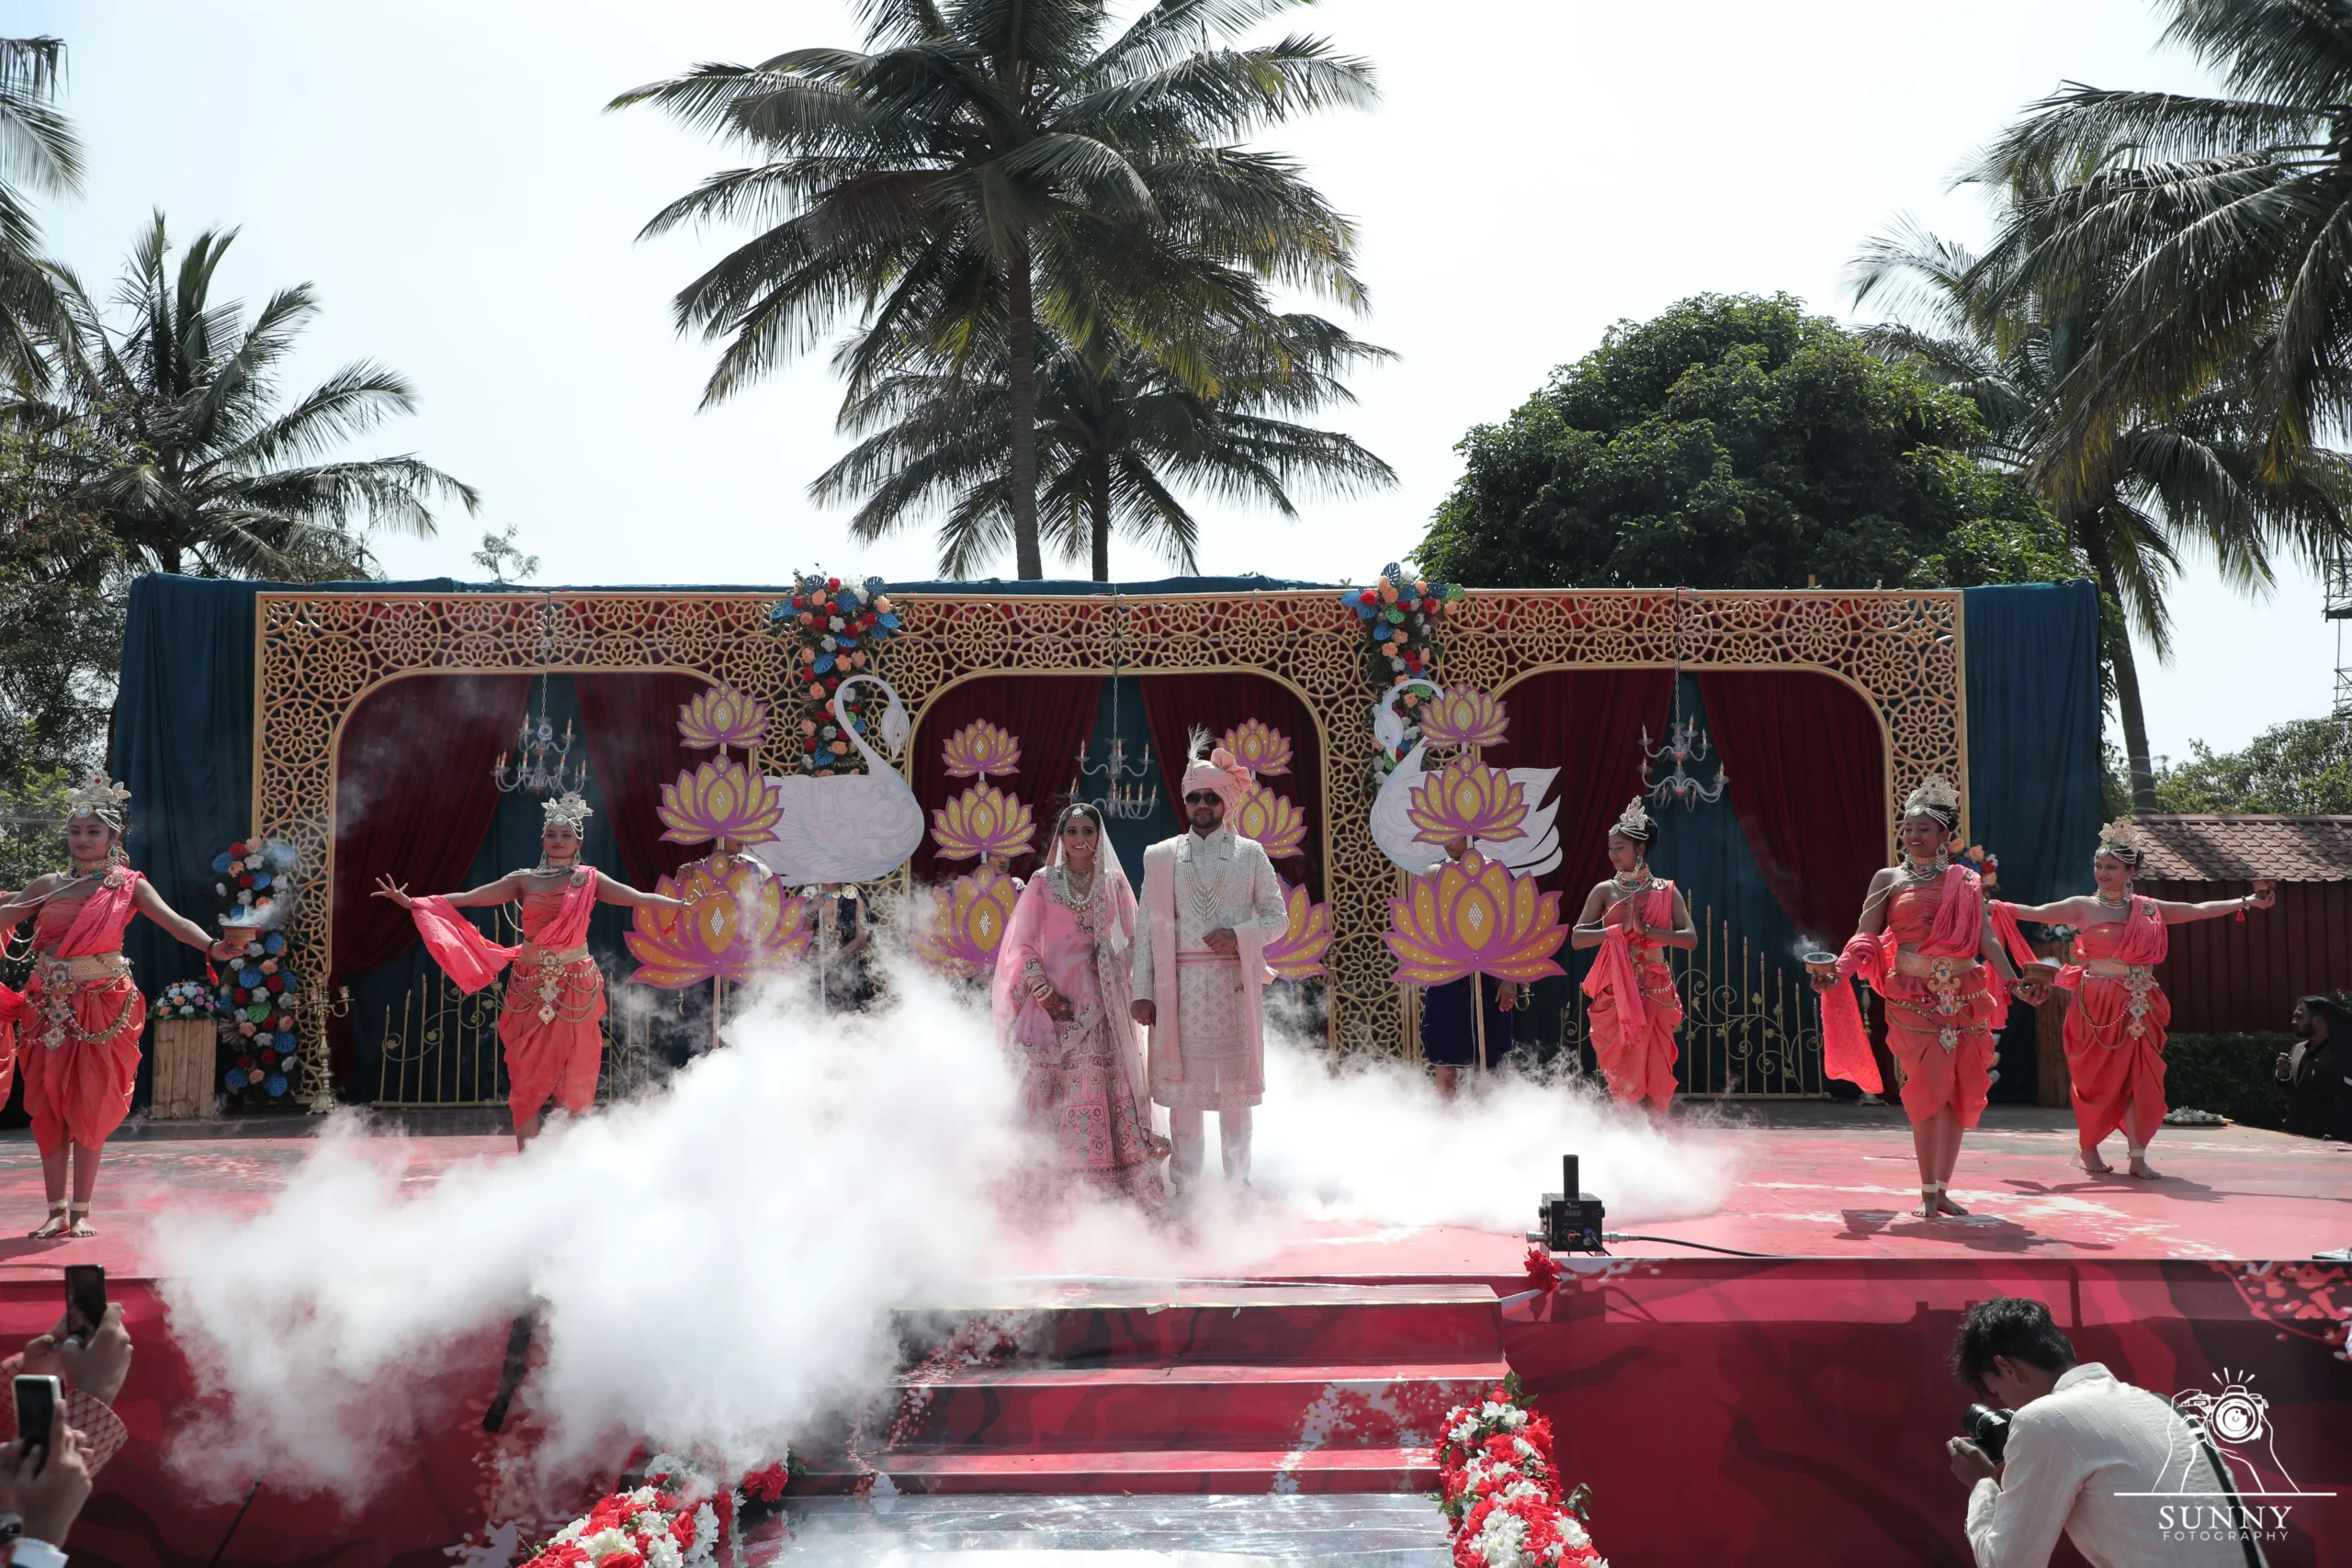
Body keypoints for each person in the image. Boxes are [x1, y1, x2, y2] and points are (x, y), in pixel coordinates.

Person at [373, 792, 688, 1148]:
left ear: (579, 842)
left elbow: (638, 897)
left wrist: (682, 905)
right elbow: (471, 897)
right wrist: (414, 902)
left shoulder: (588, 879)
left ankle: (562, 1158)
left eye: (566, 835)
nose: (558, 840)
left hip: (576, 982)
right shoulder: (525, 879)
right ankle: (528, 1160)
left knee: (572, 1067)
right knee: (525, 1071)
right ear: (542, 839)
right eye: (552, 834)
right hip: (530, 981)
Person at [0, 773, 239, 1237]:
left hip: (102, 1005)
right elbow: (5, 917)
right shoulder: (47, 884)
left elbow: (175, 923)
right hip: (46, 1006)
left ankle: (82, 1211)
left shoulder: (127, 885)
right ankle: (55, 1210)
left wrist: (213, 946)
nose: (82, 839)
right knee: (49, 1105)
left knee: (90, 1103)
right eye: (75, 830)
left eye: (93, 831)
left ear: (114, 837)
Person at [1996, 818, 2274, 1179]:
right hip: (2097, 1003)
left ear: (2131, 871)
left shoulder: (2148, 908)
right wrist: (1990, 905)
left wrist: (2247, 901)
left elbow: (2197, 910)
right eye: (2099, 865)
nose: (2102, 872)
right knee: (2095, 1080)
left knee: (2139, 1077)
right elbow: (2032, 912)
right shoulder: (2082, 906)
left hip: (2140, 1004)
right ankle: (2088, 1148)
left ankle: (2137, 1156)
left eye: (2111, 866)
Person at [1814, 776, 2040, 1220]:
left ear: (1944, 835)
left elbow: (1988, 939)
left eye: (1924, 829)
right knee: (1929, 1087)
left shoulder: (1966, 880)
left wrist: (2013, 983)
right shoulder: (1888, 879)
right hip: (1912, 995)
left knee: (1959, 1089)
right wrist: (1838, 972)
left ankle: (1942, 1189)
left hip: (1965, 994)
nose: (1913, 835)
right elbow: (1865, 935)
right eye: (1908, 828)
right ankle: (1925, 1192)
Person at [1946, 1297, 2255, 1566]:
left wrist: (1981, 1484)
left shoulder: (2041, 1420)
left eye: (1996, 1391)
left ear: (2007, 1368)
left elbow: (2007, 1563)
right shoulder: (2163, 1405)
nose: (2006, 1407)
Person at [1130, 739, 1287, 1189]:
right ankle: (1187, 1192)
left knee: (1235, 1102)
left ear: (1227, 803)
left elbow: (1277, 919)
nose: (1202, 804)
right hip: (1176, 992)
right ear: (1185, 801)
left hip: (1232, 991)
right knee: (1184, 1102)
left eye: (1212, 797)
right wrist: (1142, 991)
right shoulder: (1160, 856)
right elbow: (1147, 927)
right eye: (1195, 797)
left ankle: (1238, 1190)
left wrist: (1239, 936)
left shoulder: (1250, 854)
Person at [992, 802, 1169, 1201]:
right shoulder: (1042, 881)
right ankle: (1041, 1188)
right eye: (1072, 831)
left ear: (1098, 837)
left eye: (1088, 831)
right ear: (1061, 838)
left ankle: (1107, 1188)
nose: (1080, 839)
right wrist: (1043, 992)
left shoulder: (1113, 883)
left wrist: (1113, 961)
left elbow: (1140, 940)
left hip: (1100, 1005)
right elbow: (1022, 944)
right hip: (1050, 1004)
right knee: (1047, 1094)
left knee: (1099, 1091)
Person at [1569, 799, 1695, 1112]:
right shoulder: (1604, 890)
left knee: (1655, 1070)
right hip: (1616, 990)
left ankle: (1653, 1135)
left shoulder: (1666, 891)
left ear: (1640, 849)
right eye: (1610, 848)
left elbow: (1690, 939)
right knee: (1623, 1072)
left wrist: (1647, 931)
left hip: (1654, 987)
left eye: (1620, 848)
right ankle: (1626, 1133)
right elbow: (1577, 939)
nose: (1613, 854)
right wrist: (1615, 932)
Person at [1419, 832, 1520, 1098]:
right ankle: (1447, 1117)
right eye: (1443, 834)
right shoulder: (1435, 873)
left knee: (1490, 1057)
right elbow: (1422, 925)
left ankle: (1487, 1117)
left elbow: (1514, 927)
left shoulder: (1496, 871)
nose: (1446, 841)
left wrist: (1511, 979)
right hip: (1447, 974)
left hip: (1490, 974)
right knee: (1444, 1055)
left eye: (1453, 835)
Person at [2279, 996, 2350, 1141]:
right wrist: (2283, 1075)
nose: (2293, 1022)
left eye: (2299, 1017)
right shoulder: (2298, 1050)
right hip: (2296, 1137)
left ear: (2317, 1021)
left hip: (2331, 1141)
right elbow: (2293, 1095)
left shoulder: (2343, 1054)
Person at [814, 884, 876, 1010]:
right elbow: (799, 933)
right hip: (816, 970)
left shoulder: (854, 896)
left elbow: (861, 939)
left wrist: (835, 957)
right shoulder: (809, 896)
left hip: (850, 970)